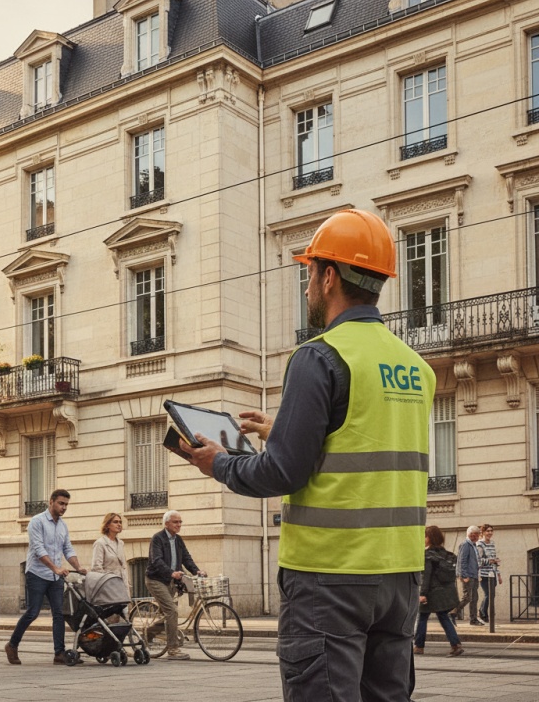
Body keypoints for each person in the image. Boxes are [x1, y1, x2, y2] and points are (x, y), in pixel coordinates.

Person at [179, 209, 436, 702]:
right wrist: (288, 430)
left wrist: (219, 463)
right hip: (399, 575)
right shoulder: (414, 366)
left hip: (330, 577)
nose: (306, 288)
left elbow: (281, 471)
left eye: (309, 273)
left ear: (330, 276)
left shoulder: (319, 356)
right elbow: (361, 440)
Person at [4, 489, 87, 666]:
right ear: (51, 502)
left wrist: (78, 567)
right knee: (32, 612)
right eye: (61, 503)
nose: (64, 507)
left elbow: (68, 549)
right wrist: (55, 567)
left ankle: (59, 653)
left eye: (66, 504)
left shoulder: (63, 526)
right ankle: (12, 645)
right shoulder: (37, 521)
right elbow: (38, 548)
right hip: (37, 574)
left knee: (59, 614)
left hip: (55, 577)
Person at [145, 510, 206, 661]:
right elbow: (156, 560)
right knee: (172, 610)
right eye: (175, 522)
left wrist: (196, 570)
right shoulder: (157, 538)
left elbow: (186, 557)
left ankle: (147, 633)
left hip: (171, 581)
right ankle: (173, 649)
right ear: (166, 524)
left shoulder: (178, 539)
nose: (179, 525)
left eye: (180, 522)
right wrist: (171, 572)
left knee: (168, 613)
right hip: (156, 579)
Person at [413, 525, 463, 657]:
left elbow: (426, 576)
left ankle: (418, 646)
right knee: (443, 617)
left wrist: (423, 594)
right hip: (445, 591)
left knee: (422, 617)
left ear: (429, 538)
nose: (423, 539)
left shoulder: (427, 555)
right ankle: (456, 645)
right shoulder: (446, 554)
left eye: (424, 536)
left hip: (432, 592)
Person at [91, 512, 130, 598]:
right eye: (115, 522)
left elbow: (123, 566)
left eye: (120, 522)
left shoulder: (120, 543)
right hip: (108, 588)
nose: (119, 524)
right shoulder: (100, 543)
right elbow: (96, 568)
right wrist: (108, 583)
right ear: (108, 525)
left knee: (124, 611)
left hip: (121, 586)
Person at [456, 525, 482, 625]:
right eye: (476, 535)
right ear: (471, 535)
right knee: (467, 597)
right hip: (468, 576)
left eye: (478, 535)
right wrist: (463, 575)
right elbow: (462, 561)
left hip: (474, 575)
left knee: (474, 598)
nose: (478, 537)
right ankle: (452, 613)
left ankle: (473, 619)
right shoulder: (465, 545)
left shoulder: (473, 545)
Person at [477, 523, 501, 623]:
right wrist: (490, 561)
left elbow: (495, 560)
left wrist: (498, 574)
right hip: (483, 574)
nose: (490, 533)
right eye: (488, 531)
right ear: (482, 532)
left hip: (493, 573)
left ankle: (484, 614)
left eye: (491, 531)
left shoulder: (492, 543)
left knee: (492, 595)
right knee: (488, 594)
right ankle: (482, 613)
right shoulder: (479, 544)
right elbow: (478, 560)